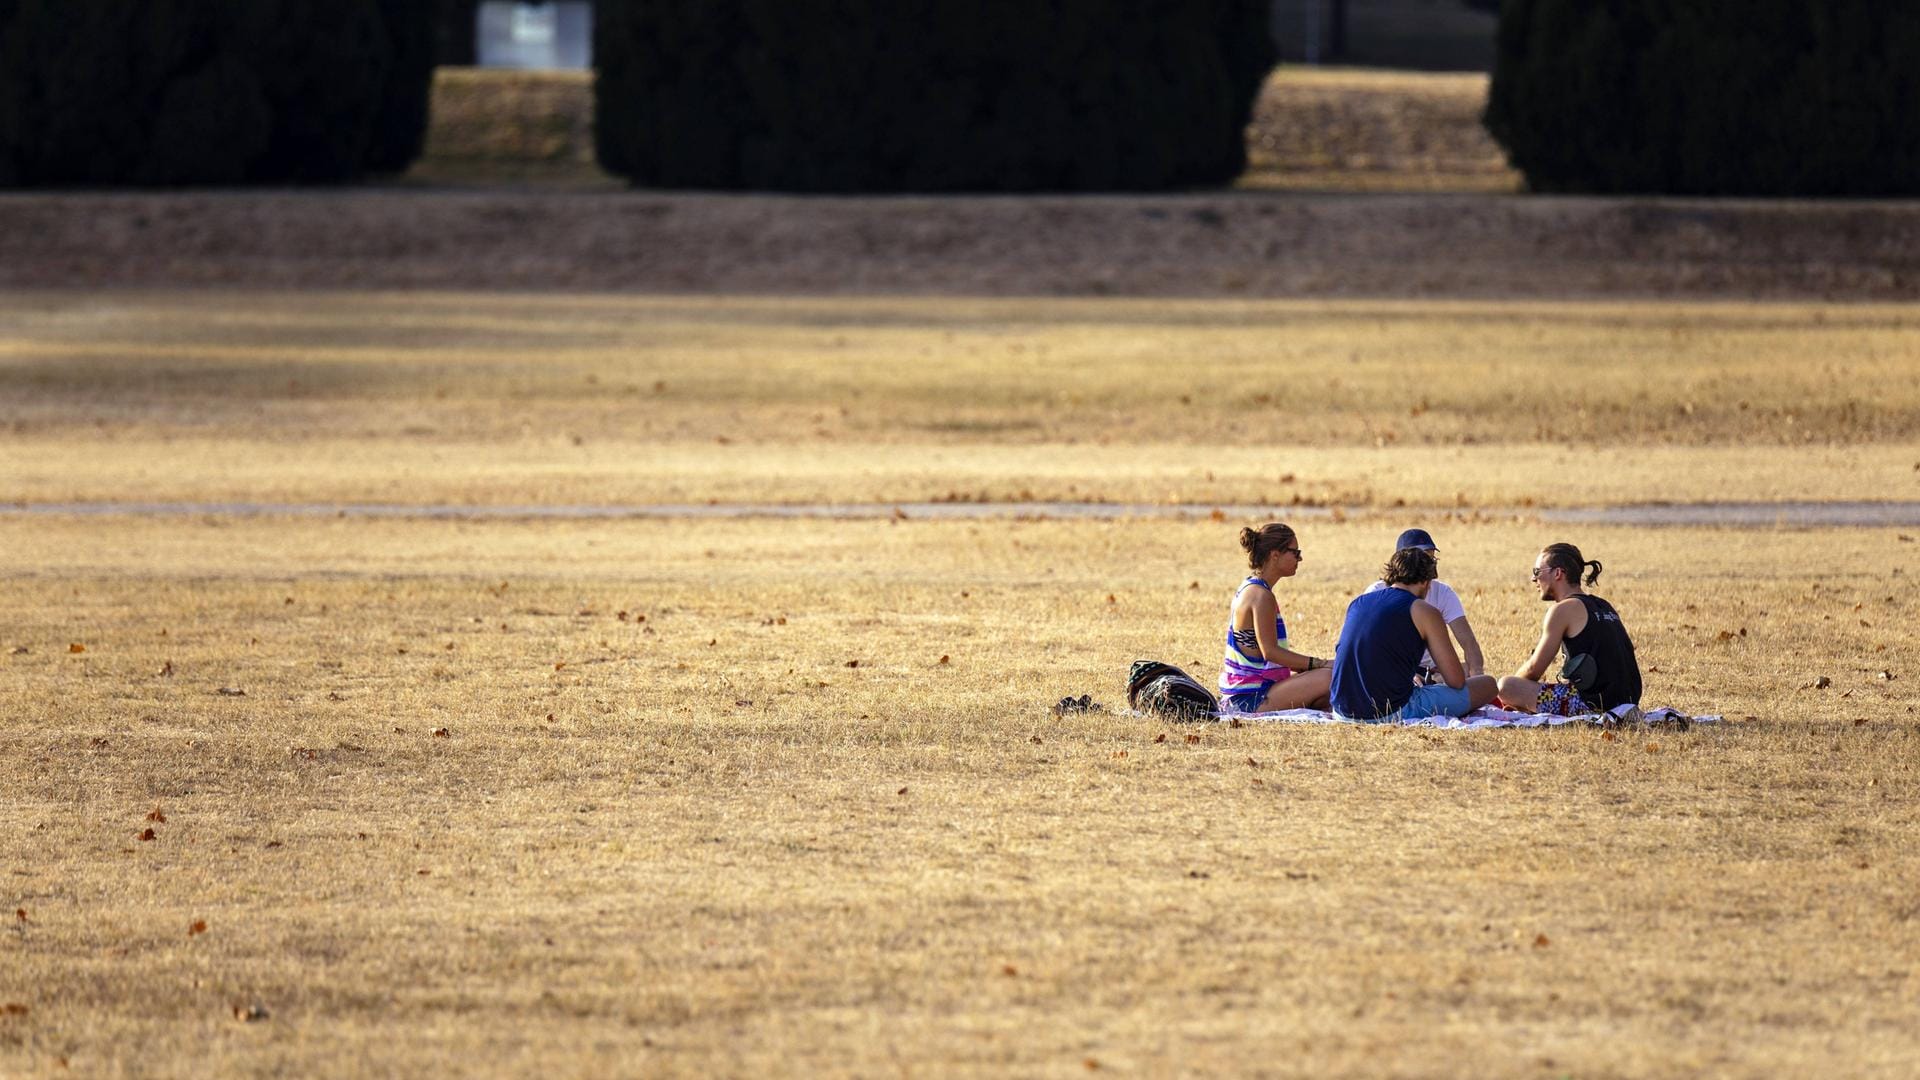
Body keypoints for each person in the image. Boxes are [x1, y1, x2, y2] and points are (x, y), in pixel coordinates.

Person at [1329, 546, 1499, 723]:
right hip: (1390, 712)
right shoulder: (1423, 610)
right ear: (1426, 581)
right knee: (1488, 684)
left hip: (1341, 712)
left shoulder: (1358, 602)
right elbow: (1456, 680)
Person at [1497, 543, 1642, 717]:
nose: (1533, 579)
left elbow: (1534, 669)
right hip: (1628, 700)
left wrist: (1512, 694)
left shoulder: (1563, 609)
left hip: (1593, 703)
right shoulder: (1603, 605)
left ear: (1558, 573)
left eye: (1537, 572)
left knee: (1506, 686)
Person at [1217, 523, 1333, 713]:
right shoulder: (1261, 596)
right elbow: (1270, 652)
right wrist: (1320, 663)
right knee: (1331, 677)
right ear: (1275, 555)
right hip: (1250, 699)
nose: (1300, 558)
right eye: (1295, 552)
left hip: (1250, 693)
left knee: (1329, 681)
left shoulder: (1252, 588)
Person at [1362, 528, 1483, 683]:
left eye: (1432, 558)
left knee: (1476, 677)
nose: (1430, 564)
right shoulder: (1377, 593)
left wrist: (1477, 673)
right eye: (1423, 558)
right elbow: (1369, 649)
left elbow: (1468, 641)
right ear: (1403, 561)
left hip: (1431, 670)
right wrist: (1405, 675)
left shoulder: (1442, 592)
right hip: (1389, 669)